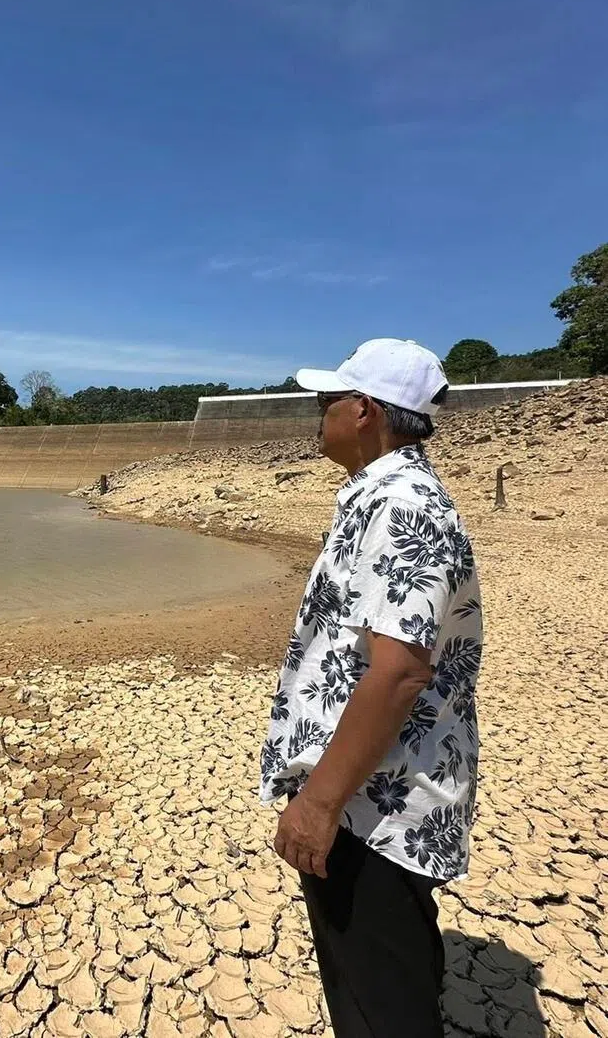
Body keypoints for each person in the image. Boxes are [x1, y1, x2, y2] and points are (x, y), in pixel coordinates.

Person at [260, 338, 482, 1038]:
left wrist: (319, 804)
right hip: (361, 788)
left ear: (364, 412)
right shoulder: (378, 495)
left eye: (327, 402)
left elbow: (400, 670)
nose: (317, 414)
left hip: (374, 807)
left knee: (385, 1004)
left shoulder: (405, 506)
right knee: (364, 983)